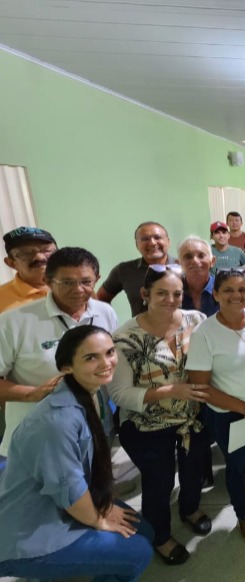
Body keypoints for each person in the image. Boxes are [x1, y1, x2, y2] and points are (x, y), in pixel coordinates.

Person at [0, 326, 154, 581]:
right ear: (66, 367)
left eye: (109, 352)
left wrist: (104, 508)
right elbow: (69, 488)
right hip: (29, 533)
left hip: (64, 501)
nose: (106, 363)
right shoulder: (55, 422)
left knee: (143, 530)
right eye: (91, 357)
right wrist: (99, 519)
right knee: (138, 552)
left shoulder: (87, 395)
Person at [110, 266, 210, 565]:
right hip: (146, 425)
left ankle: (190, 509)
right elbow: (119, 394)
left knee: (194, 471)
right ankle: (161, 535)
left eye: (177, 293)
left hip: (192, 418)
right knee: (159, 482)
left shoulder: (196, 320)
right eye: (162, 293)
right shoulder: (125, 338)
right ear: (145, 295)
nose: (171, 299)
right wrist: (168, 392)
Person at [187, 269, 245, 545]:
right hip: (229, 415)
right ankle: (243, 514)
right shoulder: (205, 333)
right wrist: (244, 407)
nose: (236, 295)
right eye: (227, 290)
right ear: (215, 294)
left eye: (242, 289)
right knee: (237, 468)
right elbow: (201, 388)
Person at [0, 247, 118, 457]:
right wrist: (32, 394)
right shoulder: (13, 322)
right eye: (67, 282)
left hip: (96, 426)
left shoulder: (104, 312)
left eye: (85, 282)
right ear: (47, 280)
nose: (78, 289)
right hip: (40, 434)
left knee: (97, 485)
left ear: (97, 279)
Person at [97, 221, 176, 316]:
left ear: (168, 241)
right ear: (137, 245)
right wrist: (109, 322)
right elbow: (100, 299)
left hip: (181, 330)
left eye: (157, 237)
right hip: (139, 330)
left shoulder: (184, 268)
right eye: (145, 239)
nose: (152, 243)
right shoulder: (124, 270)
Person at [0, 226, 57, 313]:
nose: (39, 257)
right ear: (11, 263)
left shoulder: (80, 286)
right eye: (26, 253)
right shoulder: (2, 298)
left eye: (46, 250)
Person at [178, 236, 218, 316]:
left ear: (212, 261)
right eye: (188, 257)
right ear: (180, 263)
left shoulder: (222, 289)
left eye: (201, 255)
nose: (195, 261)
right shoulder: (173, 291)